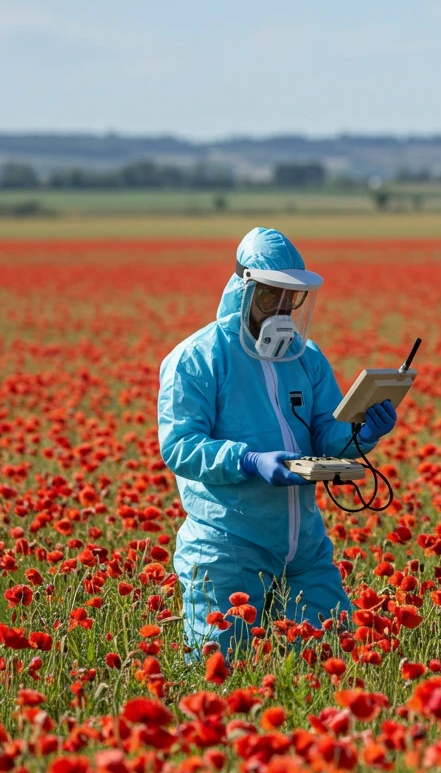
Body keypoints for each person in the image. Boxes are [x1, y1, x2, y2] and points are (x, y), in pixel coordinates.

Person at [157, 226, 398, 657]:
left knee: (334, 655)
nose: (283, 309)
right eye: (272, 296)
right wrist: (249, 460)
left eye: (293, 298)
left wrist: (362, 431)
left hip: (303, 543)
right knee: (223, 675)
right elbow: (180, 446)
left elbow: (327, 434)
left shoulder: (307, 358)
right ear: (243, 289)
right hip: (226, 543)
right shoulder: (197, 358)